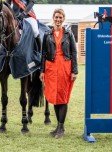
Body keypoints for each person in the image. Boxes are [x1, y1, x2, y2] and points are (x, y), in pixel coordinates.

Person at [40, 8, 78, 139]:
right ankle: (58, 126)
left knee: (63, 96)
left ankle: (61, 127)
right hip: (50, 68)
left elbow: (73, 53)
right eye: (56, 17)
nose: (58, 19)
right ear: (53, 18)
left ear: (63, 19)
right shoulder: (47, 34)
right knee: (54, 97)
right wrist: (42, 70)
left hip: (64, 67)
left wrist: (74, 70)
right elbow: (43, 54)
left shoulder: (68, 34)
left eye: (60, 17)